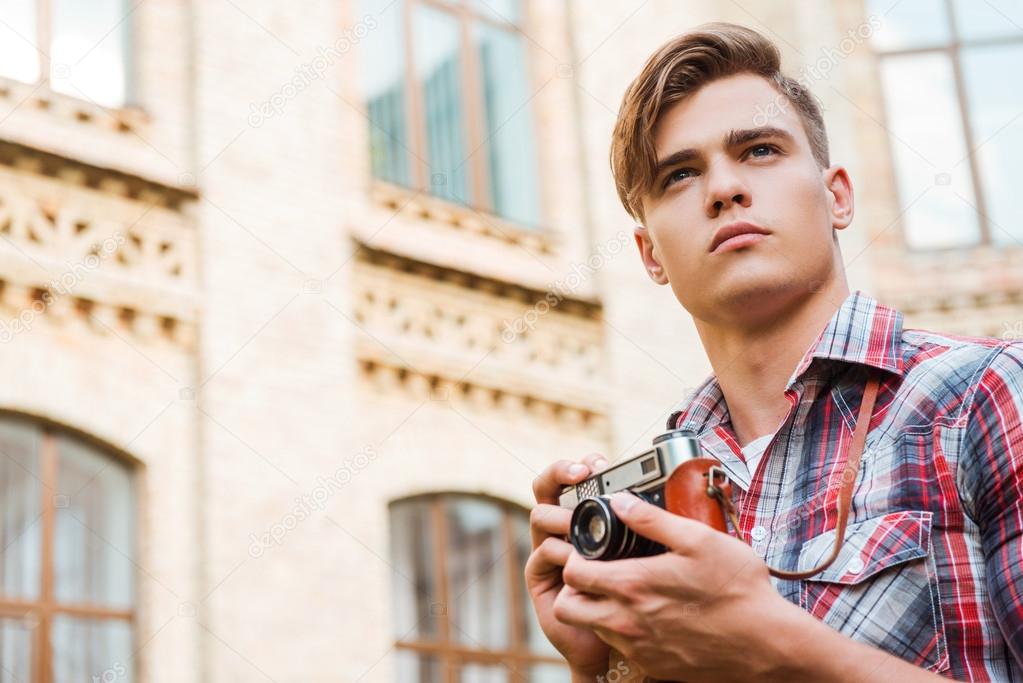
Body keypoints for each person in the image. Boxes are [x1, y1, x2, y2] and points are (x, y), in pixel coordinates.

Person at [525, 22, 1023, 683]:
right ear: (650, 256)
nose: (723, 189)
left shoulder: (984, 393)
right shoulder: (660, 483)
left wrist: (776, 647)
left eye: (758, 150)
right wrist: (599, 666)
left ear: (836, 195)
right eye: (680, 173)